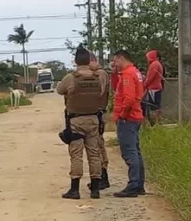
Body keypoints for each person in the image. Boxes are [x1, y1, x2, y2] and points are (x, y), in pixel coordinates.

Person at [56, 47, 103, 199]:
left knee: (76, 155)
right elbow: (101, 94)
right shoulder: (97, 77)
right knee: (94, 154)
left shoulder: (71, 78)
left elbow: (59, 90)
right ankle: (95, 189)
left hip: (76, 121)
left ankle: (74, 190)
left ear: (75, 61)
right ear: (89, 61)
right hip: (94, 119)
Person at [111, 49, 146, 198]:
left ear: (121, 58)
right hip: (136, 116)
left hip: (128, 118)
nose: (114, 64)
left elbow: (129, 98)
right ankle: (138, 185)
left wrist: (123, 115)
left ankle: (133, 185)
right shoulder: (135, 72)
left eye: (115, 60)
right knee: (135, 151)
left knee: (129, 151)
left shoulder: (127, 74)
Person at [88, 53, 111, 190]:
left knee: (98, 145)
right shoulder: (98, 73)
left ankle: (103, 176)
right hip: (97, 113)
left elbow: (100, 92)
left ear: (92, 60)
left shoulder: (100, 74)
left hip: (99, 113)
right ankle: (101, 176)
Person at [143, 50, 164, 125]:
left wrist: (144, 85)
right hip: (156, 87)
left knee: (154, 107)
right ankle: (157, 123)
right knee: (157, 106)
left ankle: (155, 123)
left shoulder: (154, 64)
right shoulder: (158, 64)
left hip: (153, 89)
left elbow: (150, 77)